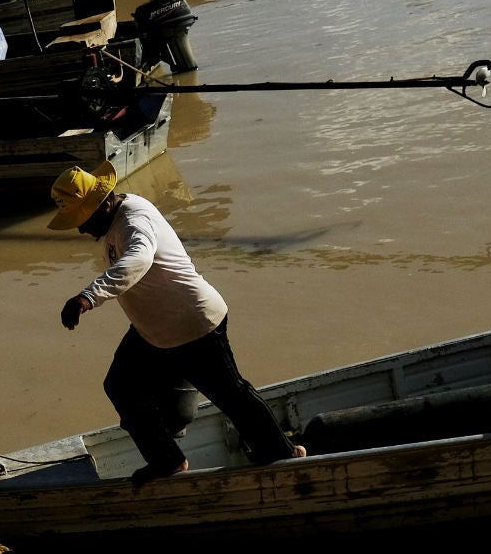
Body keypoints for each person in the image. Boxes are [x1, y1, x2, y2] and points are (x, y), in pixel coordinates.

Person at [51, 161, 306, 486]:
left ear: (100, 205)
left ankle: (284, 456)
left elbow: (139, 259)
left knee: (231, 395)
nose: (80, 230)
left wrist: (88, 297)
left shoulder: (134, 220)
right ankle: (167, 460)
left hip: (193, 324)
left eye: (81, 221)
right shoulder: (112, 222)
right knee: (121, 386)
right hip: (154, 332)